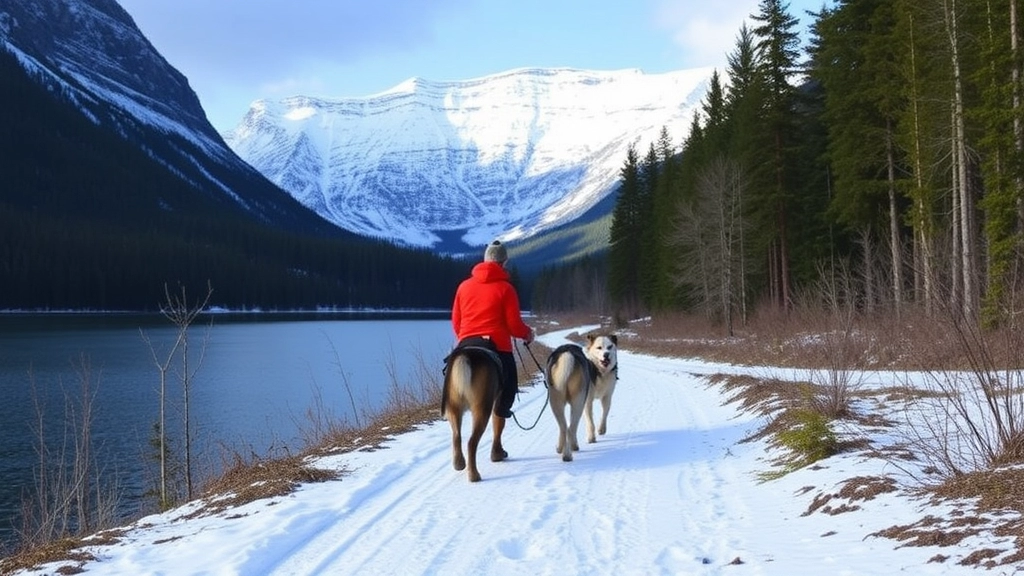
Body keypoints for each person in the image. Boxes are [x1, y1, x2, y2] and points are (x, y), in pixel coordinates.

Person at [451, 239, 535, 461]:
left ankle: (456, 436)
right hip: (498, 348)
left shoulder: (463, 286)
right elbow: (514, 326)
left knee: (451, 380)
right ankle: (496, 447)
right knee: (507, 391)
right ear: (504, 262)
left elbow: (456, 323)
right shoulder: (506, 288)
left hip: (466, 344)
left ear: (484, 260)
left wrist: (466, 338)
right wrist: (527, 334)